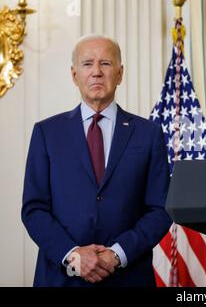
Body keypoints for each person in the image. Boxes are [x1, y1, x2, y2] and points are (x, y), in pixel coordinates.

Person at [22, 35, 172, 287]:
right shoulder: (46, 133)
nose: (96, 72)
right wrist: (73, 254)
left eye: (105, 63)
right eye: (87, 64)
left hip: (128, 276)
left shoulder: (149, 134)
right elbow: (34, 209)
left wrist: (117, 254)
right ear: (74, 75)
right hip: (61, 277)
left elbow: (160, 208)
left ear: (120, 74)